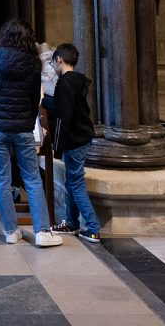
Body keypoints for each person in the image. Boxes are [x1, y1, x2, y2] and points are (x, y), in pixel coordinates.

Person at [0, 19, 61, 247]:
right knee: (32, 179)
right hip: (22, 128)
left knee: (1, 180)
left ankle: (11, 231)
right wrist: (29, 120)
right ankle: (42, 231)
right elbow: (35, 98)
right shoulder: (32, 63)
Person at [41, 43, 101, 243]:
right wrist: (41, 100)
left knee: (75, 184)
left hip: (74, 140)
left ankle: (92, 227)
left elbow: (62, 118)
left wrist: (56, 146)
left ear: (59, 60)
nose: (53, 67)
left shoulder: (65, 83)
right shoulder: (76, 81)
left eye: (53, 62)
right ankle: (72, 223)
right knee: (71, 182)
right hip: (82, 137)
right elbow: (61, 106)